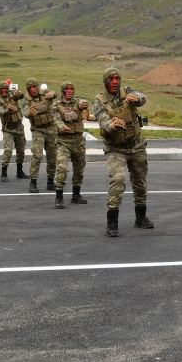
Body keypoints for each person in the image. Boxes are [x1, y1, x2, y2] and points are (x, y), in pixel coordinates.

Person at [92, 67, 152, 237]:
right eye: (111, 79)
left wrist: (137, 98)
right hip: (116, 148)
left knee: (140, 182)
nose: (115, 82)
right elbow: (103, 122)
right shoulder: (99, 101)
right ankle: (112, 223)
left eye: (117, 78)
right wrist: (112, 124)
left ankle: (141, 218)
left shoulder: (128, 91)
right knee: (118, 180)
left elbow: (142, 98)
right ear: (105, 81)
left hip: (136, 145)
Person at [53, 80, 90, 208]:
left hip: (78, 141)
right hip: (64, 141)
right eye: (66, 89)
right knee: (62, 168)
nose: (69, 91)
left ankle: (76, 195)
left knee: (79, 169)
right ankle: (59, 196)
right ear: (62, 91)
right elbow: (56, 119)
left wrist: (84, 105)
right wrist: (62, 126)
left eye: (71, 89)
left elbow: (83, 105)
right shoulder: (56, 104)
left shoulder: (77, 102)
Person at [22, 79, 57, 193]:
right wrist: (30, 112)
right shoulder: (26, 100)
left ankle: (50, 181)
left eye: (34, 87)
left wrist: (52, 94)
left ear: (37, 87)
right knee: (37, 155)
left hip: (51, 128)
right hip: (38, 130)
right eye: (30, 88)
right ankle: (33, 182)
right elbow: (26, 112)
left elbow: (54, 94)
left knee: (52, 156)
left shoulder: (44, 93)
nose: (32, 89)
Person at [0, 80, 27, 182]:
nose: (4, 91)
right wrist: (8, 109)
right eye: (2, 89)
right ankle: (4, 173)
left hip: (19, 127)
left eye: (5, 89)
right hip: (8, 129)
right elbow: (1, 112)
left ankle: (19, 172)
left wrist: (19, 93)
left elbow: (22, 96)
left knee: (21, 151)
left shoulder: (12, 95)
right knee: (8, 150)